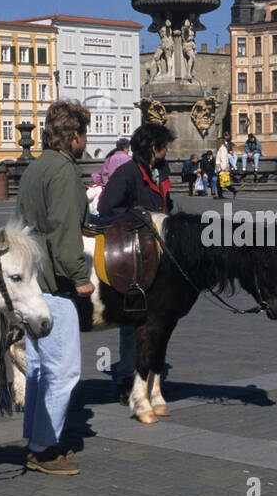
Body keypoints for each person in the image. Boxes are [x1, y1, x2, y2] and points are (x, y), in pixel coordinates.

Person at [14, 102, 95, 475]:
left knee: (38, 369)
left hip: (32, 282)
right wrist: (81, 277)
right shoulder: (64, 171)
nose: (84, 142)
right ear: (74, 136)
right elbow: (65, 236)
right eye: (84, 135)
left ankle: (35, 441)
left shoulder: (35, 167)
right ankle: (45, 449)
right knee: (62, 371)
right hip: (55, 285)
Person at [98, 122, 175, 405]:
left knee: (155, 320)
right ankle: (126, 378)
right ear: (154, 148)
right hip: (134, 255)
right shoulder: (127, 173)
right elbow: (108, 208)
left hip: (159, 254)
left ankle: (147, 377)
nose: (167, 151)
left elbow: (167, 205)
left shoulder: (160, 171)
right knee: (133, 321)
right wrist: (138, 216)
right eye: (165, 146)